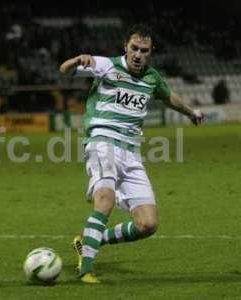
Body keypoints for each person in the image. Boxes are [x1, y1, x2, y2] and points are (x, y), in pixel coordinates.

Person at [59, 24, 204, 284]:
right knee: (105, 199)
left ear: (151, 52)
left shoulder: (151, 78)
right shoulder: (105, 65)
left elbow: (169, 97)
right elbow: (65, 71)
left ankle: (89, 241)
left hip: (131, 152)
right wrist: (76, 59)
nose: (138, 54)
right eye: (134, 48)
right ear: (125, 46)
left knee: (148, 224)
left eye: (144, 50)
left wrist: (192, 112)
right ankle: (86, 271)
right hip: (102, 141)